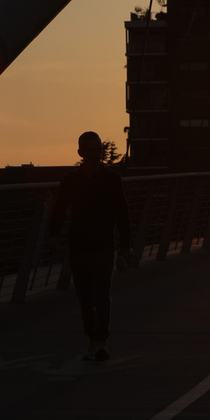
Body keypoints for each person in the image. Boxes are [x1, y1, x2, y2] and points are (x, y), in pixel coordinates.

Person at [49, 131, 132, 362]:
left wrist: (125, 245)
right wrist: (53, 236)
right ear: (81, 153)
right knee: (84, 296)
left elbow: (122, 213)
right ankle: (91, 338)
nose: (96, 154)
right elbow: (59, 209)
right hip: (79, 244)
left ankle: (101, 341)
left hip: (104, 243)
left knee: (102, 295)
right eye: (91, 150)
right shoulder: (70, 180)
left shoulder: (111, 178)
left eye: (99, 149)